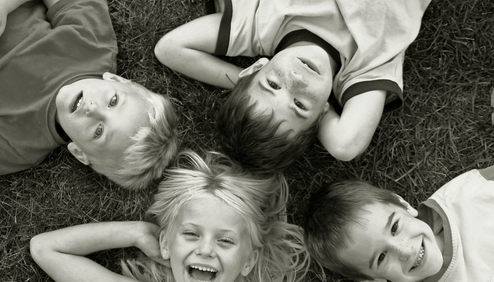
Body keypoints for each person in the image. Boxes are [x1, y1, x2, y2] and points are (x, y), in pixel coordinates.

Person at [30, 149, 310, 282]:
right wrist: (138, 232)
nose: (205, 249)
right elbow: (45, 249)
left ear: (247, 261)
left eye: (225, 241)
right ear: (166, 244)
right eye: (191, 234)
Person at [155, 0, 430, 173]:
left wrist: (245, 76)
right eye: (300, 105)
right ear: (323, 113)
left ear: (256, 68)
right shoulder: (364, 68)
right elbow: (345, 145)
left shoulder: (260, 25)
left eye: (272, 84)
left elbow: (169, 49)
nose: (296, 80)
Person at [0, 0, 179, 189]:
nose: (93, 109)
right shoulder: (93, 44)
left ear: (79, 152)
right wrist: (2, 6)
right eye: (113, 101)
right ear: (117, 80)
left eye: (99, 131)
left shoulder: (20, 148)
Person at [304, 166, 494, 282]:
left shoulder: (469, 193)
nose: (404, 251)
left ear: (403, 204)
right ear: (371, 278)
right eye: (382, 257)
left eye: (394, 227)